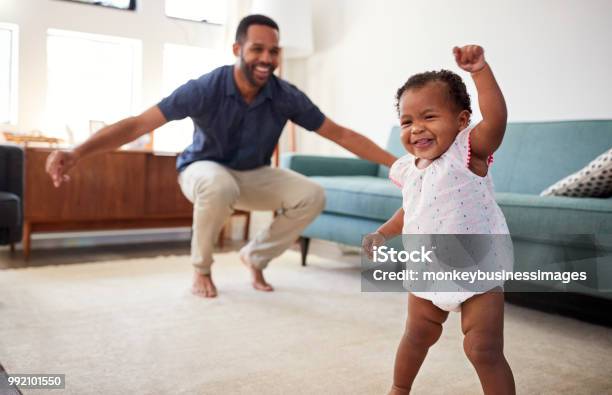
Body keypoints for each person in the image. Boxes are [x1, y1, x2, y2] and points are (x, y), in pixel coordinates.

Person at [45, 14, 396, 298]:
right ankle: (201, 268)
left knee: (312, 194)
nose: (266, 59)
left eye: (274, 52)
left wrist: (397, 164)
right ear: (237, 48)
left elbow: (340, 134)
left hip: (252, 174)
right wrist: (77, 152)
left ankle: (255, 256)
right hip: (201, 170)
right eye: (258, 49)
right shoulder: (205, 88)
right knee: (217, 184)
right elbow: (138, 124)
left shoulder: (285, 95)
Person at [363, 45, 516, 394]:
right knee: (417, 334)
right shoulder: (409, 169)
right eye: (407, 121)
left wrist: (480, 72)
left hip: (478, 267)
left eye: (428, 117)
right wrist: (382, 234)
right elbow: (411, 211)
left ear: (462, 121)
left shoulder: (468, 153)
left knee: (482, 348)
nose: (416, 129)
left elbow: (496, 121)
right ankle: (399, 389)